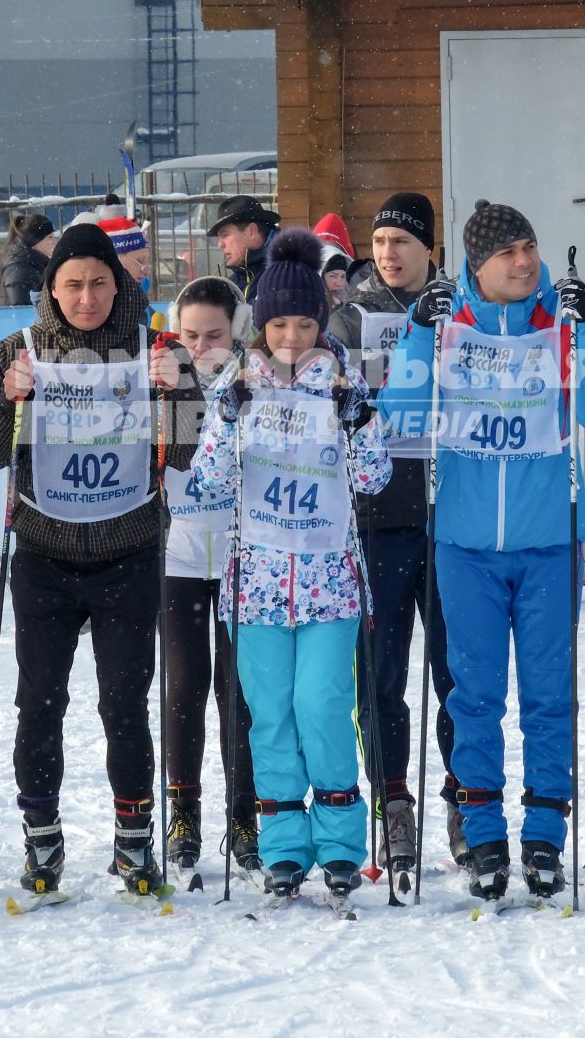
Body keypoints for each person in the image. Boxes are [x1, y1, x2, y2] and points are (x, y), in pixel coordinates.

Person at [377, 200, 585, 900]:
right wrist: (415, 342)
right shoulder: (445, 321)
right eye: (509, 253)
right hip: (465, 546)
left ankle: (545, 832)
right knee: (474, 695)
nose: (525, 262)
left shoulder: (561, 319)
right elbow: (399, 424)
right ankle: (483, 831)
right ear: (476, 266)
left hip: (548, 541)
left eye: (530, 247)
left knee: (550, 696)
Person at [0, 221, 203, 899]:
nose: (87, 297)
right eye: (73, 284)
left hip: (128, 550)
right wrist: (1, 398)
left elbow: (188, 452)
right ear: (52, 287)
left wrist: (178, 387)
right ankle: (42, 838)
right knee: (39, 700)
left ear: (117, 283)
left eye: (99, 283)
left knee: (125, 704)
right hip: (45, 551)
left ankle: (133, 843)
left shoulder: (152, 346)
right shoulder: (20, 349)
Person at [188, 229, 390, 899]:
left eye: (306, 322)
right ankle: (282, 845)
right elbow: (209, 480)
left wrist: (358, 418)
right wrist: (227, 411)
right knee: (269, 712)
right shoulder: (236, 381)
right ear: (262, 324)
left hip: (330, 582)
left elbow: (376, 477)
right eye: (281, 323)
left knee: (323, 706)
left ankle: (338, 842)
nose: (294, 336)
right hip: (257, 587)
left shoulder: (344, 378)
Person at [324, 190, 462, 874]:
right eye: (379, 243)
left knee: (456, 674)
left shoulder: (463, 311)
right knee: (378, 679)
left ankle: (467, 797)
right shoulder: (349, 317)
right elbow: (344, 399)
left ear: (428, 248)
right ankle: (393, 801)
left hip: (452, 518)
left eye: (402, 242)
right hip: (376, 519)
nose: (389, 255)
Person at [159, 276, 260, 876]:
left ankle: (244, 812)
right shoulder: (162, 379)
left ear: (238, 331)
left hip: (241, 557)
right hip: (177, 555)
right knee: (183, 687)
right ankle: (184, 811)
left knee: (238, 694)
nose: (202, 347)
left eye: (215, 335)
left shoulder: (254, 381)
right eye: (190, 335)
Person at [208, 194, 281, 304]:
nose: (220, 244)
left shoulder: (285, 274)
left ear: (251, 231)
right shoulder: (235, 283)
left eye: (225, 235)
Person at [0, 214, 56, 310]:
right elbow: (20, 311)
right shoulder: (20, 270)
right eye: (50, 237)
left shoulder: (35, 263)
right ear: (36, 241)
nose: (54, 241)